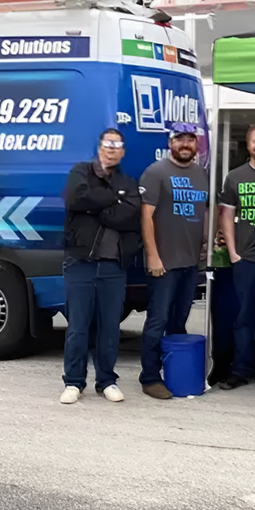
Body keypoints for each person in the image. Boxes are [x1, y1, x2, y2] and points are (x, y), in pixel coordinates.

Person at [59, 129, 142, 404]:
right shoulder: (80, 172)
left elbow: (127, 216)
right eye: (108, 144)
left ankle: (106, 380)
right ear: (99, 147)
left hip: (113, 265)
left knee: (109, 327)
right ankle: (73, 382)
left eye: (118, 145)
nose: (113, 149)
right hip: (80, 261)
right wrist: (111, 197)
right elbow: (74, 199)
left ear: (123, 151)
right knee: (78, 326)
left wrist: (95, 205)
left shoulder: (128, 182)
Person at [138, 122, 210, 400]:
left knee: (179, 322)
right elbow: (146, 217)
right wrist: (152, 256)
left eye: (190, 139)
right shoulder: (156, 173)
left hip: (190, 262)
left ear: (196, 144)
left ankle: (174, 373)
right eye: (179, 139)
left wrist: (207, 241)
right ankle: (149, 376)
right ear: (170, 143)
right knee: (157, 321)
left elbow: (203, 210)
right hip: (164, 263)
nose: (185, 144)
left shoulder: (201, 174)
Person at [217, 124, 255, 390]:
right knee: (244, 317)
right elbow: (226, 215)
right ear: (248, 144)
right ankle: (241, 369)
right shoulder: (234, 177)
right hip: (246, 258)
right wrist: (233, 252)